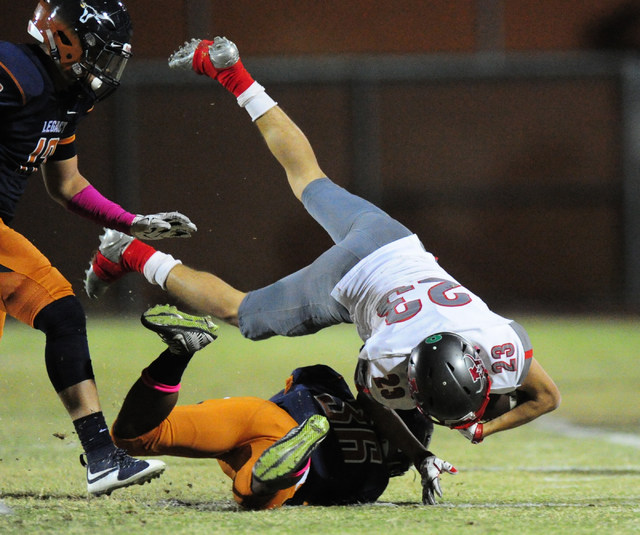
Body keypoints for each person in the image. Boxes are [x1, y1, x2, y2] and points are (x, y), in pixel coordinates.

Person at [85, 37, 561, 500]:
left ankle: (230, 71)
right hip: (351, 279)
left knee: (309, 177)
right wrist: (435, 449)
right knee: (243, 314)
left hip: (394, 240)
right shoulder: (401, 354)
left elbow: (544, 398)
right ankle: (132, 253)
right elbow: (382, 412)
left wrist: (479, 425)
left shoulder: (500, 341)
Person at [0, 0, 199, 495]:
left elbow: (65, 183)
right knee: (61, 311)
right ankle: (102, 456)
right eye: (100, 54)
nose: (106, 69)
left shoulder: (67, 97)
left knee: (63, 315)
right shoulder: (15, 71)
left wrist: (133, 222)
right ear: (65, 40)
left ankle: (102, 458)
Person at [112, 304, 443, 509]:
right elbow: (325, 496)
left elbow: (303, 379)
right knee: (251, 495)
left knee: (133, 438)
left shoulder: (337, 390)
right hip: (286, 447)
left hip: (259, 414)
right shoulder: (372, 479)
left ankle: (179, 352)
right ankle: (291, 468)